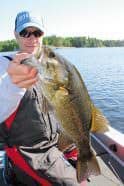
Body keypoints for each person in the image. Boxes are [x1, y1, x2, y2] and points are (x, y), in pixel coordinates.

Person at [0, 11, 87, 186]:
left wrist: (71, 148)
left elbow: (63, 109)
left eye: (37, 33)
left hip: (54, 142)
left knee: (83, 168)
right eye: (25, 32)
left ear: (43, 35)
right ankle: (13, 170)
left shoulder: (49, 65)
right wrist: (13, 85)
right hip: (28, 151)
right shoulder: (4, 66)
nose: (31, 38)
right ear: (16, 35)